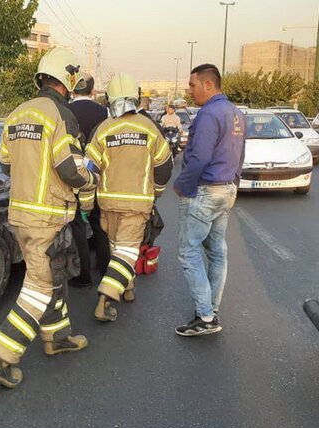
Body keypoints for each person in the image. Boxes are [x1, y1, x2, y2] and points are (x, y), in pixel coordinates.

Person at [0, 47, 98, 389]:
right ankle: (3, 355)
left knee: (52, 276)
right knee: (39, 287)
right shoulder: (60, 114)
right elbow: (70, 167)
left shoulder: (17, 113)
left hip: (20, 213)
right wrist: (90, 183)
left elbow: (5, 163)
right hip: (49, 215)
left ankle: (58, 337)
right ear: (67, 80)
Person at [83, 73, 172, 322]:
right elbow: (165, 165)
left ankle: (128, 288)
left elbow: (89, 169)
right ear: (136, 98)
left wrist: (87, 203)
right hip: (137, 202)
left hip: (108, 203)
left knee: (117, 250)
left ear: (109, 99)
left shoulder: (103, 129)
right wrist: (156, 192)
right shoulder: (149, 128)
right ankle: (105, 299)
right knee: (127, 251)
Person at [173, 63, 246, 337]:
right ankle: (210, 311)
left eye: (192, 85)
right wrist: (233, 184)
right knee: (217, 251)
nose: (190, 90)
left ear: (208, 84)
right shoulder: (236, 113)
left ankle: (205, 317)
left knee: (189, 252)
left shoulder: (208, 114)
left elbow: (199, 157)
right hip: (225, 189)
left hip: (204, 191)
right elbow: (240, 154)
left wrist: (182, 185)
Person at [68, 73, 110, 286]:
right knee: (98, 220)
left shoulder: (65, 111)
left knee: (77, 225)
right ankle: (104, 268)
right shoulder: (105, 113)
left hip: (73, 173)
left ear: (72, 89)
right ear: (93, 91)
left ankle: (83, 274)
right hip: (97, 170)